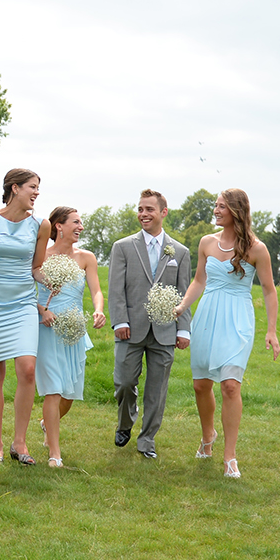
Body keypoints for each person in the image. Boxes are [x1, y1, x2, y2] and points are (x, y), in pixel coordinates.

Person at [174, 188, 280, 478]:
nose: (216, 210)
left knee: (230, 385)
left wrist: (271, 330)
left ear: (236, 211)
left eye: (221, 206)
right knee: (201, 385)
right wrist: (182, 306)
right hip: (207, 316)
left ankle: (230, 457)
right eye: (216, 205)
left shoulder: (257, 249)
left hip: (238, 319)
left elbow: (269, 291)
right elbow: (199, 280)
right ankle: (208, 436)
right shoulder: (207, 242)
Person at [0, 168, 49, 465]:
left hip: (23, 304)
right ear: (14, 188)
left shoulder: (41, 225)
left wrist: (52, 279)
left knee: (27, 370)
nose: (37, 193)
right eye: (32, 187)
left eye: (38, 188)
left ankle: (20, 442)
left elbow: (36, 268)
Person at [107, 188, 192, 460]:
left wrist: (183, 329)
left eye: (149, 209)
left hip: (165, 331)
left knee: (157, 390)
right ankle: (125, 423)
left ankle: (147, 440)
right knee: (124, 382)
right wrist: (120, 321)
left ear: (163, 212)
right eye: (140, 209)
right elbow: (115, 290)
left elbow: (184, 293)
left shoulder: (180, 252)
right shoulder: (123, 247)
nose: (143, 214)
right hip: (130, 328)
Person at [34, 206, 106, 468]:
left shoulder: (86, 257)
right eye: (76, 222)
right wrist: (42, 310)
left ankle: (46, 423)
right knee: (53, 389)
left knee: (69, 394)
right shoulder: (41, 255)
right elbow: (25, 290)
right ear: (59, 226)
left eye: (81, 222)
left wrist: (98, 310)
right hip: (46, 328)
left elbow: (96, 290)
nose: (81, 227)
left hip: (74, 328)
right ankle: (55, 453)